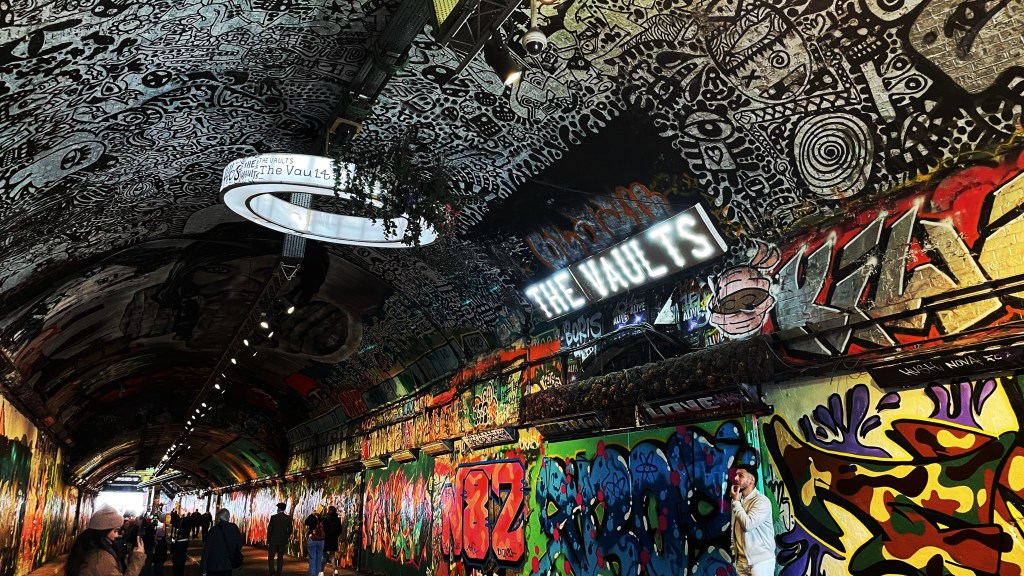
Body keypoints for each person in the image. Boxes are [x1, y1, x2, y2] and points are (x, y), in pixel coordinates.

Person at [63, 504, 147, 576]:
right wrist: (137, 558)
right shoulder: (101, 557)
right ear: (104, 531)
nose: (116, 535)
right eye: (115, 531)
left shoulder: (87, 548)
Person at [730, 462, 776, 576]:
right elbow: (734, 527)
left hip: (761, 562)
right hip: (741, 561)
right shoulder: (737, 500)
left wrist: (736, 502)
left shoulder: (761, 501)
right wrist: (734, 550)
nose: (736, 478)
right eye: (736, 475)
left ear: (752, 480)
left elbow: (747, 525)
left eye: (741, 475)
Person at [200, 509, 244, 576]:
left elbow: (207, 550)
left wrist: (203, 568)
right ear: (228, 517)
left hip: (213, 566)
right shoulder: (234, 528)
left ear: (219, 518)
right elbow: (239, 544)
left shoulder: (213, 530)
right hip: (227, 565)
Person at [266, 502, 292, 576]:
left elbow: (270, 529)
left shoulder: (274, 517)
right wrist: (286, 536)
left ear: (279, 509)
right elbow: (290, 530)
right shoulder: (288, 518)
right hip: (282, 541)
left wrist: (268, 539)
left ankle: (272, 571)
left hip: (273, 540)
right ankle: (279, 572)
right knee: (280, 557)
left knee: (271, 557)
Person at [304, 507, 325, 576]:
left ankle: (312, 574)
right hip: (321, 540)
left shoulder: (312, 518)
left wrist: (312, 514)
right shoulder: (324, 519)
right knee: (319, 559)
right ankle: (317, 574)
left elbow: (306, 522)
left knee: (312, 558)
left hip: (312, 539)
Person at [321, 506, 342, 573]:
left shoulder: (326, 519)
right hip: (334, 540)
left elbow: (322, 528)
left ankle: (321, 571)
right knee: (332, 555)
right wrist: (335, 536)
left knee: (324, 555)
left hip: (327, 539)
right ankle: (335, 570)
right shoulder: (337, 520)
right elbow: (340, 530)